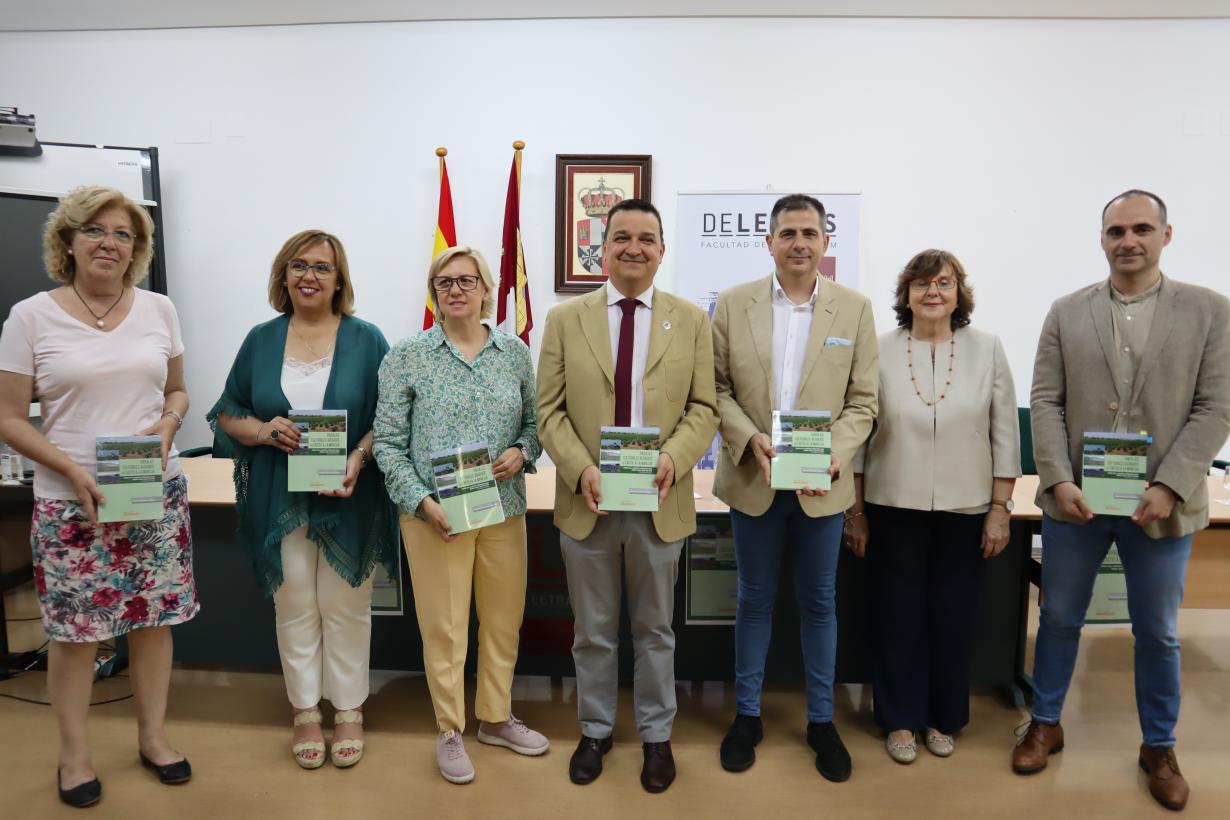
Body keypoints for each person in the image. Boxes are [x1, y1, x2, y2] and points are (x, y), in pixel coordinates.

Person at [1013, 190, 1230, 812]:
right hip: (1077, 504)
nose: (1127, 240)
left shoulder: (1210, 311)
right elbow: (1046, 402)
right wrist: (1055, 479)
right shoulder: (1066, 311)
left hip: (1161, 505)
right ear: (1102, 238)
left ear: (1166, 235)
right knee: (1057, 619)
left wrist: (1169, 485)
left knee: (1158, 633)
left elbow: (1215, 407)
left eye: (1141, 228)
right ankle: (1045, 723)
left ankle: (1159, 746)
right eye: (1115, 230)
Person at [0, 186, 197, 807]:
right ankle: (74, 757)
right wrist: (72, 470)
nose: (110, 243)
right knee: (76, 634)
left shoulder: (159, 310)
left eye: (124, 234)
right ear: (68, 239)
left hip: (147, 492)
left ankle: (154, 738)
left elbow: (178, 393)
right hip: (69, 499)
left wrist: (168, 426)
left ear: (136, 248)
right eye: (95, 230)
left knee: (153, 623)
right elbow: (8, 416)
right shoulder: (31, 316)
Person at [537, 198, 718, 794]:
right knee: (591, 630)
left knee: (654, 631)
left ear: (663, 250)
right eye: (621, 238)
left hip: (658, 502)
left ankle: (657, 736)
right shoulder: (567, 319)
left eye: (646, 238)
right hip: (587, 502)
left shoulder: (691, 320)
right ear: (603, 248)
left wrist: (673, 458)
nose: (633, 248)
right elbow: (550, 412)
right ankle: (594, 730)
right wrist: (581, 468)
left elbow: (704, 409)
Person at [209, 230, 397, 771]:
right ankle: (305, 712)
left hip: (348, 494)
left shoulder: (367, 339)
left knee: (346, 605)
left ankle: (350, 710)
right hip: (279, 493)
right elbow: (227, 413)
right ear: (283, 275)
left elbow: (389, 421)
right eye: (299, 266)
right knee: (293, 603)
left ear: (340, 280)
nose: (309, 276)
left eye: (322, 267)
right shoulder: (261, 339)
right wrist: (266, 431)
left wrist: (360, 456)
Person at [711, 193, 877, 782]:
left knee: (819, 603)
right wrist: (748, 437)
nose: (799, 243)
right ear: (770, 241)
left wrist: (838, 452)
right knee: (753, 600)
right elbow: (717, 388)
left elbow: (863, 402)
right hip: (754, 478)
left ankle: (822, 720)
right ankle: (748, 716)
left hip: (820, 485)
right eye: (788, 233)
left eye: (810, 232)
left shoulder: (854, 310)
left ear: (826, 242)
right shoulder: (733, 305)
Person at [373, 245, 547, 784]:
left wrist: (523, 452)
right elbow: (387, 443)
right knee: (445, 628)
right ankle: (450, 728)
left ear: (486, 290)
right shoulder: (407, 355)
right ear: (433, 291)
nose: (455, 289)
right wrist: (421, 502)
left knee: (502, 622)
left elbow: (534, 428)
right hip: (434, 516)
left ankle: (495, 717)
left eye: (466, 280)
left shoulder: (513, 353)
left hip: (502, 510)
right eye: (444, 281)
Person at [844, 249, 1020, 764]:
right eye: (921, 284)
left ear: (958, 292)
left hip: (966, 510)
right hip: (891, 505)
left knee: (953, 616)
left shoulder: (987, 350)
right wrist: (855, 513)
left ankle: (945, 716)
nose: (933, 292)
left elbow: (1005, 435)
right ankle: (899, 719)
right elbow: (857, 438)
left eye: (944, 282)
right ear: (906, 295)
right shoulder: (877, 350)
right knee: (895, 617)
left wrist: (999, 508)